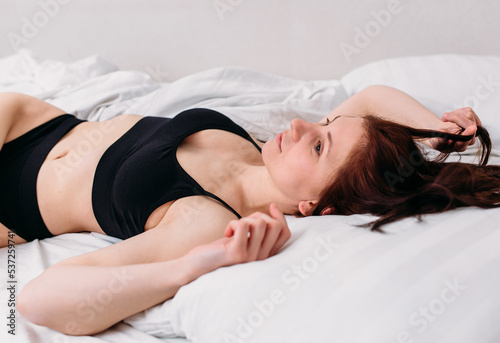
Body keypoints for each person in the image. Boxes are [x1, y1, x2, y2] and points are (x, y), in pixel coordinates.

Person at [0, 85, 498, 335]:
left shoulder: (206, 220)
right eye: (328, 123)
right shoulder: (265, 150)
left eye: (320, 146)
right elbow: (370, 98)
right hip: (28, 120)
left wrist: (190, 266)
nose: (301, 125)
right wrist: (436, 128)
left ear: (315, 208)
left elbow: (39, 301)